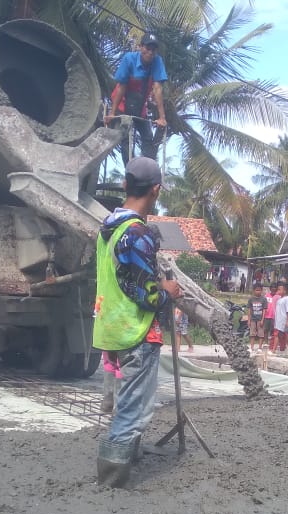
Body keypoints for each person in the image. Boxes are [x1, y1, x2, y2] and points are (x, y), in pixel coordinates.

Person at [92, 157, 181, 487]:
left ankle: (131, 456)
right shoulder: (137, 233)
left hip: (111, 327)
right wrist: (168, 289)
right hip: (135, 330)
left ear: (126, 185)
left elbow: (118, 280)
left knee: (126, 400)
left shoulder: (108, 230)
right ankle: (111, 477)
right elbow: (148, 295)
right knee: (135, 409)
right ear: (155, 190)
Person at [105, 33, 168, 162]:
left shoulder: (157, 61)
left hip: (139, 106)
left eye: (153, 50)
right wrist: (112, 113)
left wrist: (162, 118)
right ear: (140, 47)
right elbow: (121, 87)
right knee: (125, 137)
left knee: (147, 137)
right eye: (147, 48)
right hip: (122, 103)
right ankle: (130, 172)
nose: (150, 52)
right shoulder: (129, 59)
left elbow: (157, 89)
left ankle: (146, 171)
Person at [247, 283, 268, 353]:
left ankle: (259, 348)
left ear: (261, 291)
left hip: (260, 319)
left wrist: (262, 319)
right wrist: (249, 320)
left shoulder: (263, 299)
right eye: (256, 290)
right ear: (253, 291)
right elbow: (249, 310)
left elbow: (264, 310)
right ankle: (251, 347)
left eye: (259, 290)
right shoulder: (251, 299)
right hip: (253, 319)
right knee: (252, 333)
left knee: (261, 334)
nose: (258, 292)